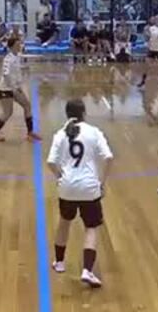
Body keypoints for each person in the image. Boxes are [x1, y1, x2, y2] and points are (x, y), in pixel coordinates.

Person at [46, 98, 113, 288]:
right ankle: (87, 270)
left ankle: (59, 262)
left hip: (67, 187)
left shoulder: (60, 134)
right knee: (91, 228)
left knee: (64, 222)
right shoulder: (94, 132)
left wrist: (60, 176)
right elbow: (109, 157)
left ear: (67, 114)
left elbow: (50, 162)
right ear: (84, 112)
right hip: (89, 187)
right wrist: (102, 181)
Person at [0, 34, 41, 143]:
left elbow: (17, 71)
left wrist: (19, 86)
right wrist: (13, 88)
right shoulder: (8, 59)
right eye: (17, 45)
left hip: (15, 88)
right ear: (11, 47)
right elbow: (6, 74)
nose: (19, 46)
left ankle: (30, 133)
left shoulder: (17, 56)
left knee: (27, 105)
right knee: (7, 112)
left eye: (20, 44)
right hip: (5, 89)